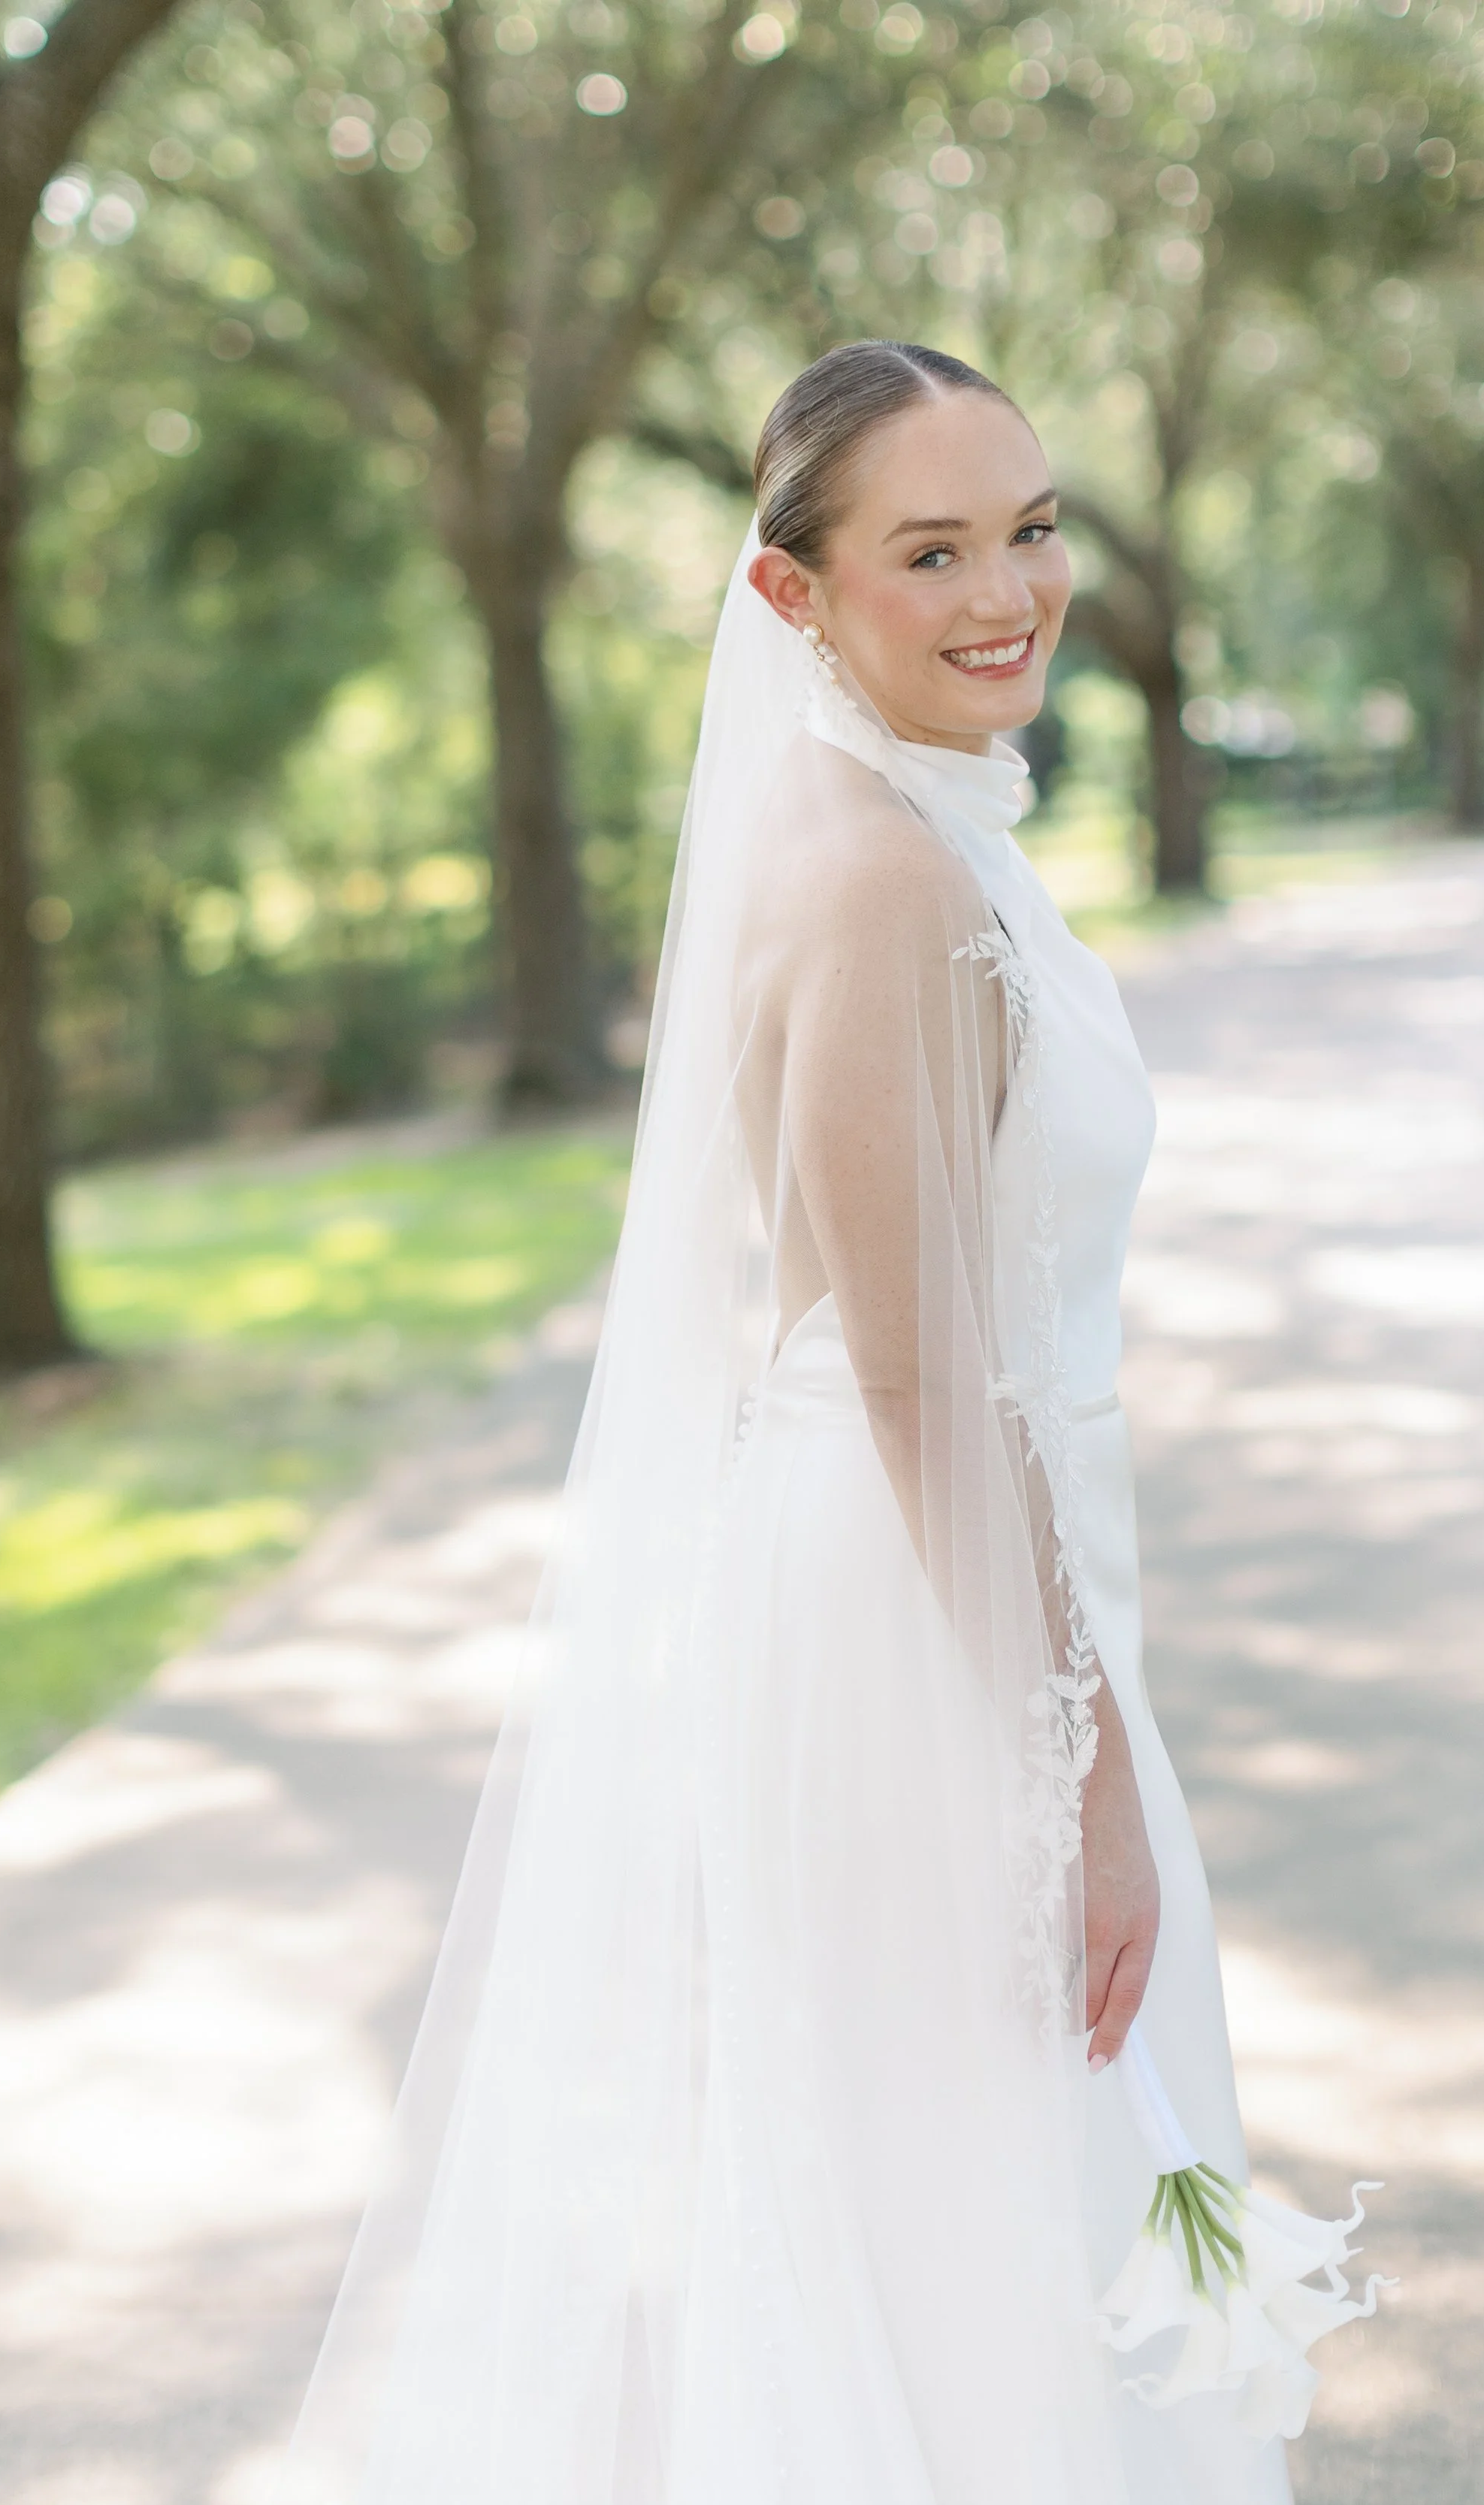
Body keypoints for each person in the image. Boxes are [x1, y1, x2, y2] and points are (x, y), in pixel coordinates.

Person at [282, 341, 1379, 2505]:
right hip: (925, 1599)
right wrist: (1074, 1771)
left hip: (947, 1557)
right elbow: (909, 1364)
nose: (1010, 594)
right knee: (985, 2203)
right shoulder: (883, 881)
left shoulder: (895, 825)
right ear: (793, 599)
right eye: (931, 551)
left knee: (954, 2195)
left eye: (1035, 528)